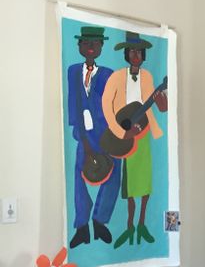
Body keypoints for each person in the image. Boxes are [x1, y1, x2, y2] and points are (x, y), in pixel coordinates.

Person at [101, 31, 168, 248]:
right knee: (130, 185)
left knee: (145, 181)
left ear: (144, 55)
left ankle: (142, 224)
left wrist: (161, 99)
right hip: (125, 135)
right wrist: (121, 133)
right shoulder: (116, 77)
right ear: (126, 54)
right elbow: (106, 106)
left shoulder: (148, 77)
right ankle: (129, 225)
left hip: (144, 132)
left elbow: (161, 108)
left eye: (139, 52)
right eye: (132, 51)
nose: (136, 55)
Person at [67, 26, 117, 248]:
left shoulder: (107, 74)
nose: (90, 47)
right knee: (80, 174)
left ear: (101, 47)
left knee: (114, 172)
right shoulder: (73, 71)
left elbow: (111, 105)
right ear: (79, 45)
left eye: (95, 43)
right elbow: (73, 102)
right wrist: (82, 136)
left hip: (106, 133)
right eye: (86, 43)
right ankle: (81, 226)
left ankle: (100, 221)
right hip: (84, 133)